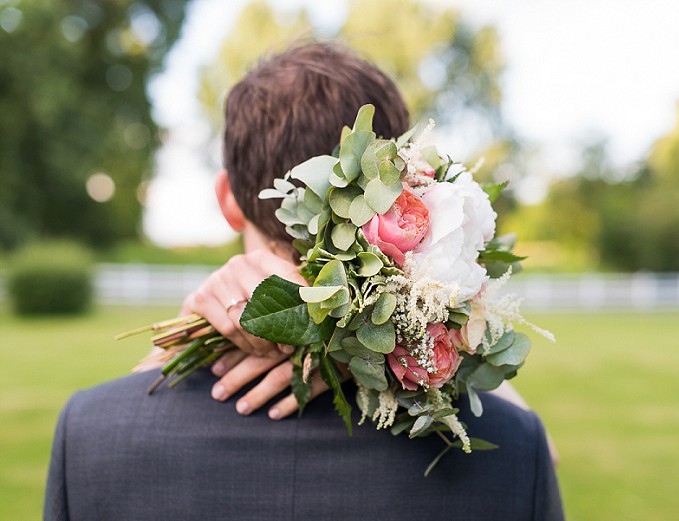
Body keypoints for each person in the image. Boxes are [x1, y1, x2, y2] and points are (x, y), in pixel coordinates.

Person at [45, 42, 564, 520]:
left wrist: (326, 329)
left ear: (227, 199)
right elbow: (536, 451)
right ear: (408, 189)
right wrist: (354, 331)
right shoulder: (514, 445)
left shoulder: (90, 432)